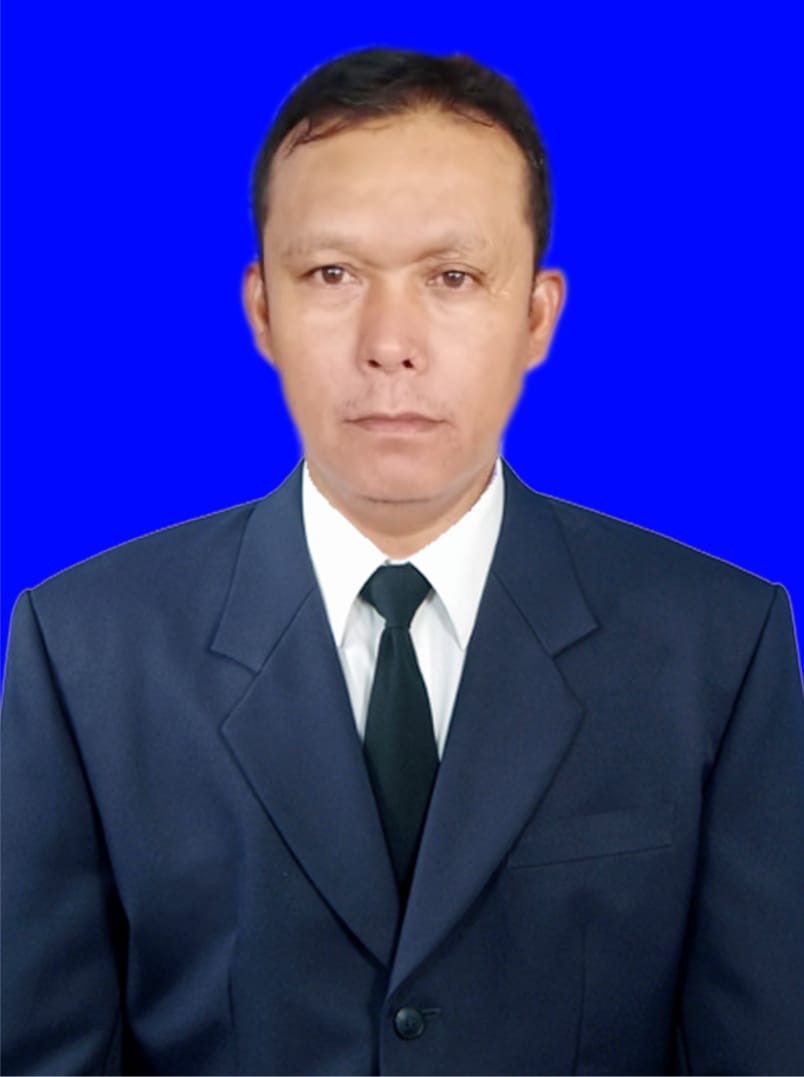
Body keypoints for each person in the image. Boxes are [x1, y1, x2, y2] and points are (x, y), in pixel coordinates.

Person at [2, 46, 803, 1077]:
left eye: (452, 277)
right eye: (332, 275)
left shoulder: (717, 647)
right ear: (262, 310)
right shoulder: (86, 650)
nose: (390, 342)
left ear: (537, 315)